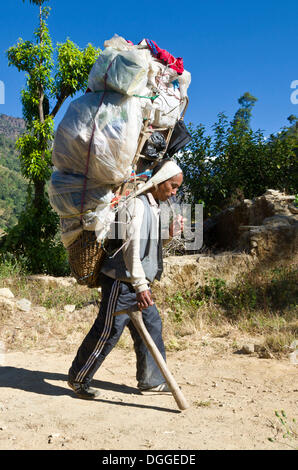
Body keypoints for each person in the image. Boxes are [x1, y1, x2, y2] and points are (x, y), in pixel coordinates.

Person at [68, 159, 183, 399]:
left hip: (137, 283)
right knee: (108, 331)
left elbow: (149, 246)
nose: (174, 192)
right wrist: (141, 287)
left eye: (177, 188)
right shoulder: (136, 206)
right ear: (158, 182)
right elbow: (130, 251)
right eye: (172, 186)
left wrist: (169, 235)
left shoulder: (154, 207)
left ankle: (151, 381)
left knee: (151, 326)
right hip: (121, 282)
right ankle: (79, 378)